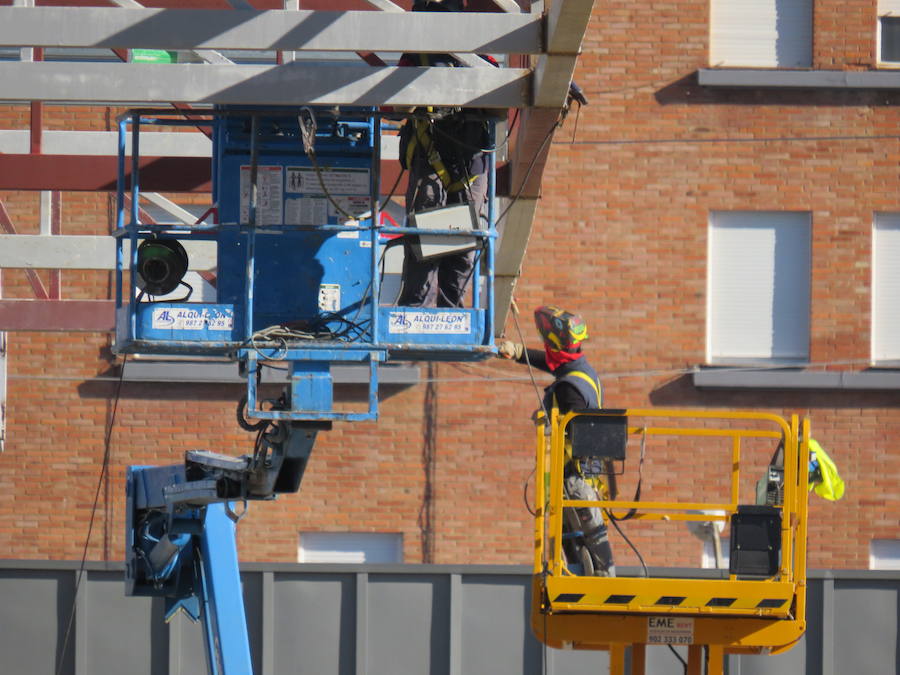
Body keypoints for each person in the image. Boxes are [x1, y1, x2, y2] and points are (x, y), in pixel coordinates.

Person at [498, 305, 616, 576]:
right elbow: (557, 365)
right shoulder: (583, 372)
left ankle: (596, 592)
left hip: (571, 480)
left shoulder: (567, 389)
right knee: (586, 544)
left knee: (584, 546)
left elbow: (574, 431)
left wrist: (545, 421)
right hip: (585, 476)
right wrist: (518, 353)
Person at [395, 0, 493, 308]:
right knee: (426, 236)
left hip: (470, 162)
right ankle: (415, 306)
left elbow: (509, 85)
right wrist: (418, 88)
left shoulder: (478, 52)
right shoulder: (416, 56)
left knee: (464, 242)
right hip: (431, 157)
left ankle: (452, 308)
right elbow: (396, 106)